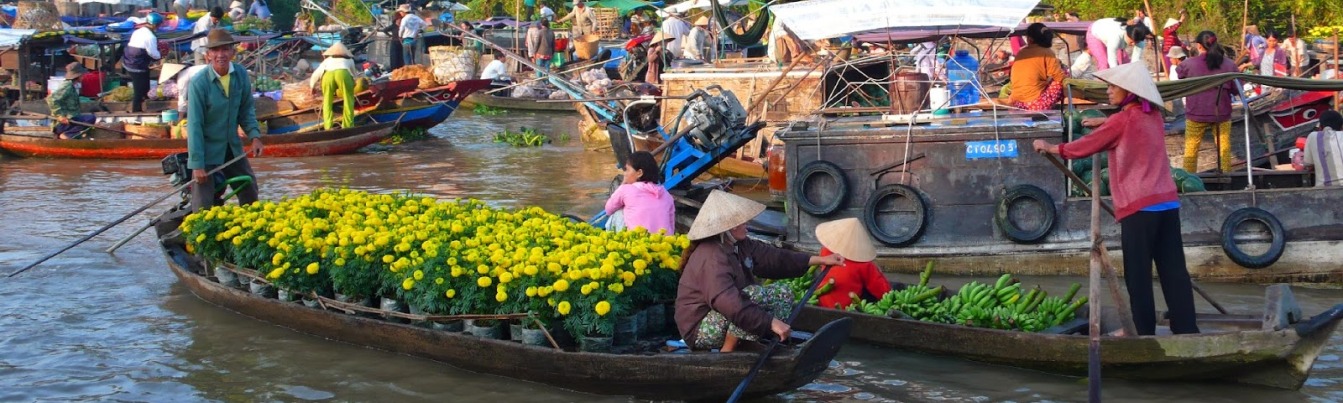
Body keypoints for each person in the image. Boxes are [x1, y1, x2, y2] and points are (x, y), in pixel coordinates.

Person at [1033, 62, 1200, 336]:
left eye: (1113, 87)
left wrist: (1052, 147)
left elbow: (1086, 146)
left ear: (1129, 91)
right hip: (1167, 204)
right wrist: (1105, 121)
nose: (1108, 91)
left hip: (1140, 207)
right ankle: (1187, 329)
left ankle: (1142, 331)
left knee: (1138, 274)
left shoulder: (1123, 121)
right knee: (1174, 271)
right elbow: (1125, 126)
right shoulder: (1153, 115)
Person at [674, 190, 846, 351]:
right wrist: (770, 322)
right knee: (751, 294)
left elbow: (775, 258)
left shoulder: (740, 245)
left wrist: (820, 260)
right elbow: (728, 302)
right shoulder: (711, 255)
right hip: (700, 328)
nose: (747, 224)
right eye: (743, 221)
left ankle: (750, 341)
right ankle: (728, 351)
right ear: (731, 227)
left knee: (784, 293)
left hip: (727, 314)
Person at [186, 29, 264, 212]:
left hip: (231, 146)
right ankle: (199, 234)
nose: (220, 55)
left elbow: (246, 110)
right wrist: (197, 164)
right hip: (207, 150)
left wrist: (254, 136)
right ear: (208, 55)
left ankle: (250, 225)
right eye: (215, 51)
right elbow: (194, 125)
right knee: (203, 200)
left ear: (233, 53)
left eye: (225, 50)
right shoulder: (199, 83)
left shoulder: (240, 74)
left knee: (249, 188)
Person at [1177, 31, 1239, 173]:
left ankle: (1189, 182)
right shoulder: (1229, 65)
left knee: (1190, 153)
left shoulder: (1188, 64)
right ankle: (1226, 179)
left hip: (1196, 113)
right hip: (1221, 114)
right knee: (1224, 150)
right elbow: (1236, 89)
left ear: (1199, 46)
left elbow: (1180, 75)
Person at [813, 218, 891, 310]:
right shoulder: (864, 264)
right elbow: (883, 291)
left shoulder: (825, 252)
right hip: (847, 309)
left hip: (820, 303)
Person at [603, 151, 674, 234]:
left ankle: (615, 242)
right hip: (664, 243)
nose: (624, 174)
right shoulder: (666, 194)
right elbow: (671, 225)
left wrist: (623, 184)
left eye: (627, 170)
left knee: (618, 212)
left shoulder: (626, 189)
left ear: (639, 173)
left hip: (638, 243)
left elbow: (608, 210)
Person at [1007, 23, 1067, 111]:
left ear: (1029, 39)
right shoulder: (1047, 52)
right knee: (1065, 74)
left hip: (1016, 102)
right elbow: (1059, 76)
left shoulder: (1021, 52)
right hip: (1035, 104)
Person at [309, 42, 357, 130]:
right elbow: (354, 75)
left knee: (327, 101)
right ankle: (348, 126)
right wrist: (354, 83)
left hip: (328, 75)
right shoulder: (349, 60)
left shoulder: (327, 60)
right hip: (343, 73)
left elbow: (316, 74)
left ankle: (328, 127)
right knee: (348, 100)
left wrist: (312, 86)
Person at [121, 12, 162, 113]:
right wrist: (161, 56)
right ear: (155, 25)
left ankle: (145, 106)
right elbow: (153, 54)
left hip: (129, 61)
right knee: (139, 90)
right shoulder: (150, 37)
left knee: (144, 85)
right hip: (137, 64)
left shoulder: (138, 31)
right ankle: (136, 111)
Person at [47, 63, 96, 140]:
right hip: (63, 123)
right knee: (90, 118)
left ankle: (70, 134)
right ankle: (67, 135)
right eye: (82, 75)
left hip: (71, 119)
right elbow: (51, 99)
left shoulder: (72, 85)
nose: (83, 77)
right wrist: (60, 116)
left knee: (89, 118)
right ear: (78, 76)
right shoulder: (67, 85)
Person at [1085, 16, 1153, 71]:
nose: (1133, 45)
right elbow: (1112, 61)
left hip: (1115, 39)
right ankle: (1103, 86)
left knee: (1125, 63)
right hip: (1095, 33)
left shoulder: (1140, 40)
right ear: (1127, 34)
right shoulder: (1115, 36)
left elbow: (1135, 62)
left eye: (1136, 43)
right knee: (1105, 63)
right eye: (1131, 42)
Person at [1301, 110, 1343, 187]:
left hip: (1324, 191)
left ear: (1320, 127)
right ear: (1341, 127)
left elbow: (1308, 165)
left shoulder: (1313, 136)